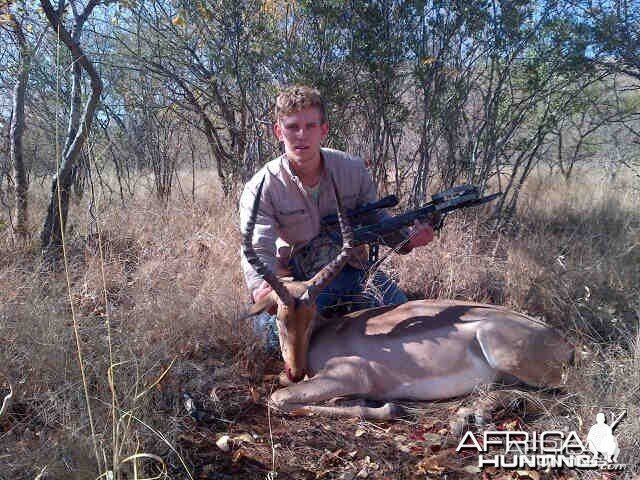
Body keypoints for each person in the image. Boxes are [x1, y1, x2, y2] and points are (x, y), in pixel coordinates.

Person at [239, 85, 434, 348]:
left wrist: (408, 239)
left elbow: (377, 221)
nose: (301, 135)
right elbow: (257, 244)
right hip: (298, 282)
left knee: (407, 321)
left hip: (351, 271)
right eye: (292, 127)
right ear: (278, 132)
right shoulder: (262, 185)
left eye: (310, 126)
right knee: (271, 340)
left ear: (324, 130)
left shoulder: (352, 169)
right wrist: (262, 287)